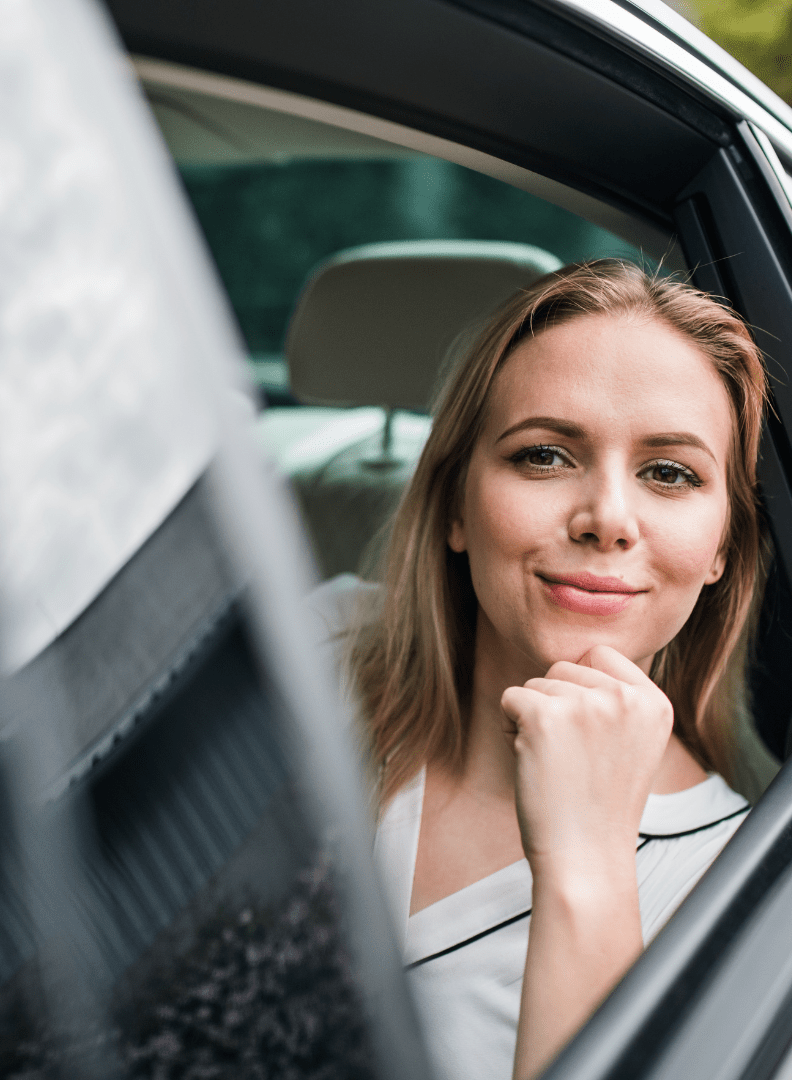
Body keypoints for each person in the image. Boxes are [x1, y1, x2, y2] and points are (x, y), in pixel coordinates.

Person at [312, 260, 771, 1080]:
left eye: (669, 473)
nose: (607, 519)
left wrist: (590, 870)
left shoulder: (749, 896)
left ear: (721, 550)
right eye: (545, 456)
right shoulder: (312, 651)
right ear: (455, 504)